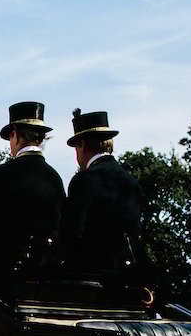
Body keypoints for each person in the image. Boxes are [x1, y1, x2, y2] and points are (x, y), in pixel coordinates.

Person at [0, 100, 65, 287]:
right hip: (49, 270)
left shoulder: (2, 174)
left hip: (9, 271)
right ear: (40, 138)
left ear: (15, 135)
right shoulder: (54, 177)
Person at [60, 108, 147, 278]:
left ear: (82, 145)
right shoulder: (132, 182)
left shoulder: (85, 180)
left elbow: (73, 232)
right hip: (131, 272)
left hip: (94, 273)